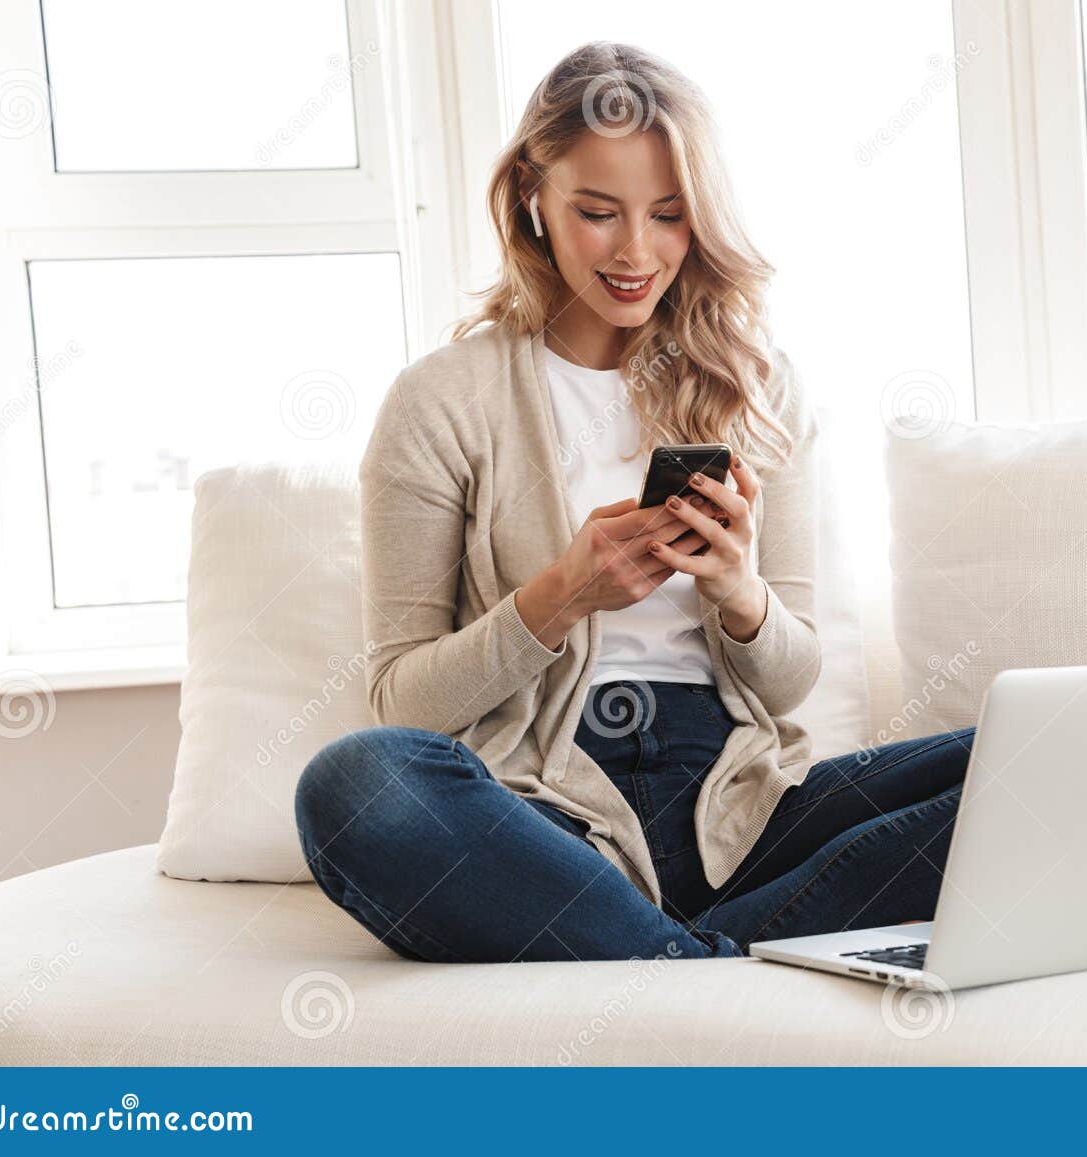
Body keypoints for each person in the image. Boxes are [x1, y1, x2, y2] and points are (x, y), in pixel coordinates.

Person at [293, 41, 975, 963]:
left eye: (669, 215)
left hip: (741, 810)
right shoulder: (443, 399)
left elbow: (792, 677)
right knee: (356, 783)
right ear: (533, 195)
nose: (636, 252)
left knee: (1036, 750)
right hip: (542, 817)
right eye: (598, 213)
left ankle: (655, 957)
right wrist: (561, 594)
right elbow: (403, 707)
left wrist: (740, 594)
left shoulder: (763, 388)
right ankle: (701, 961)